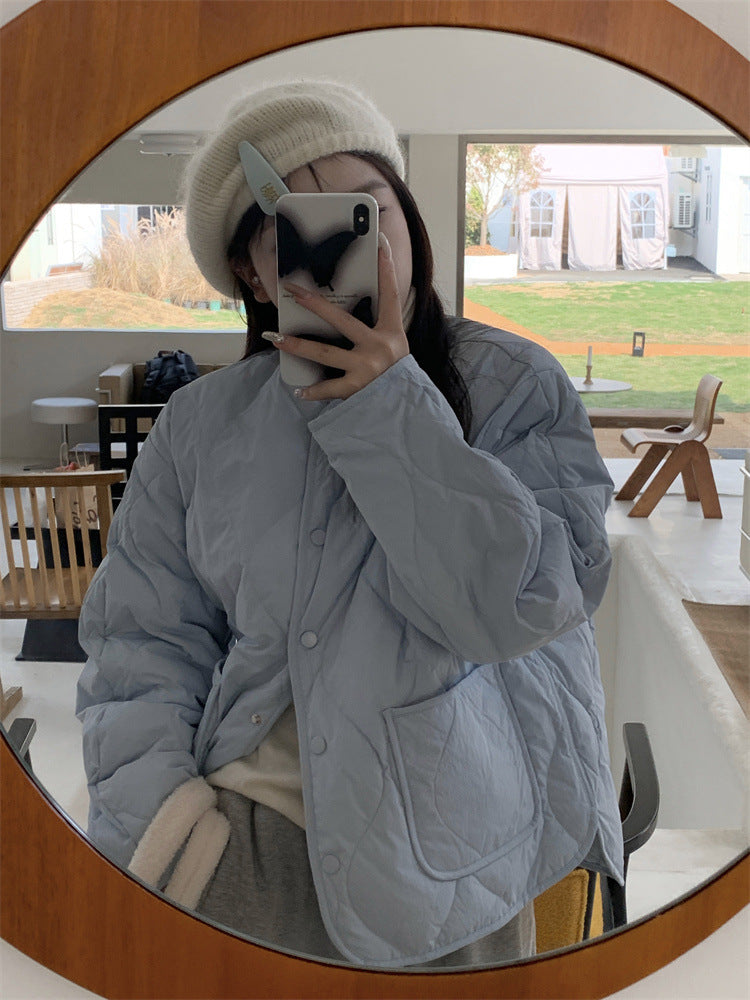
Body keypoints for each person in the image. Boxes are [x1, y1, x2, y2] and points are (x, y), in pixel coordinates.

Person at [76, 79, 624, 970]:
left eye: (366, 212)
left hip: (456, 865)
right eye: (298, 231)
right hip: (237, 856)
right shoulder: (201, 426)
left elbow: (524, 607)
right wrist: (166, 838)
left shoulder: (514, 385)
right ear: (255, 271)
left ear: (405, 216)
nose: (348, 250)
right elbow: (141, 643)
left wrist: (389, 405)